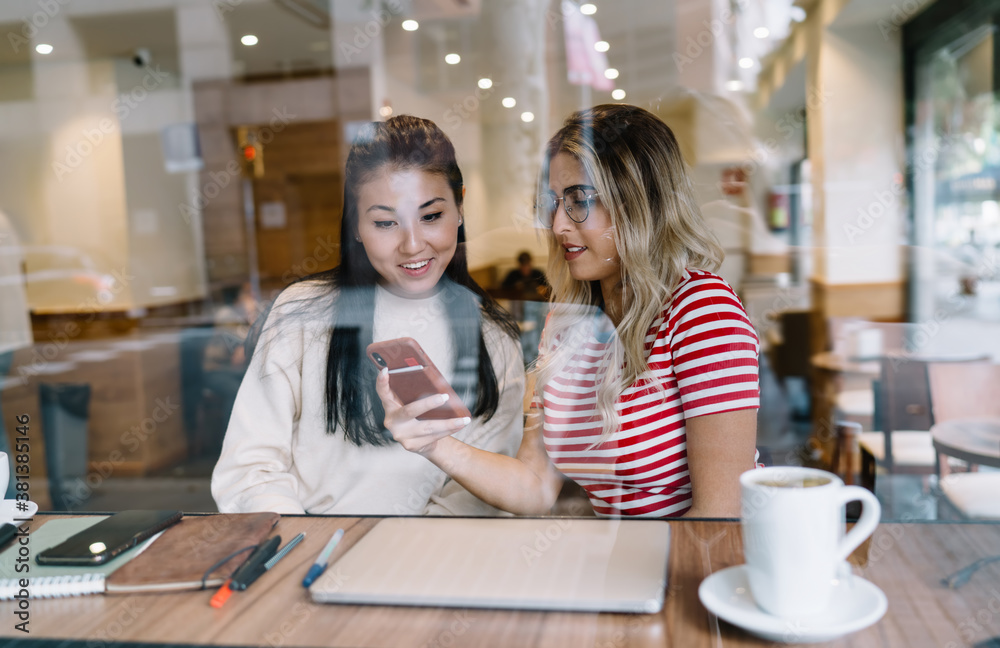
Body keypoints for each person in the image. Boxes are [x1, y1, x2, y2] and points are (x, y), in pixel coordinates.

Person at [381, 104, 760, 518]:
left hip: (688, 570)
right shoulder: (568, 323)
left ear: (639, 202)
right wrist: (435, 443)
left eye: (579, 200)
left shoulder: (703, 312)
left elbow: (721, 517)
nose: (558, 224)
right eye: (553, 202)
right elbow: (536, 484)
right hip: (622, 561)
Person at [211, 115, 525, 516]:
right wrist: (304, 547)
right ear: (356, 226)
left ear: (460, 207)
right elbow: (250, 468)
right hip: (307, 554)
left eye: (431, 217)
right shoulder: (304, 312)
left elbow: (480, 493)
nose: (412, 245)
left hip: (427, 561)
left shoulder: (492, 335)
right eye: (384, 223)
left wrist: (402, 556)